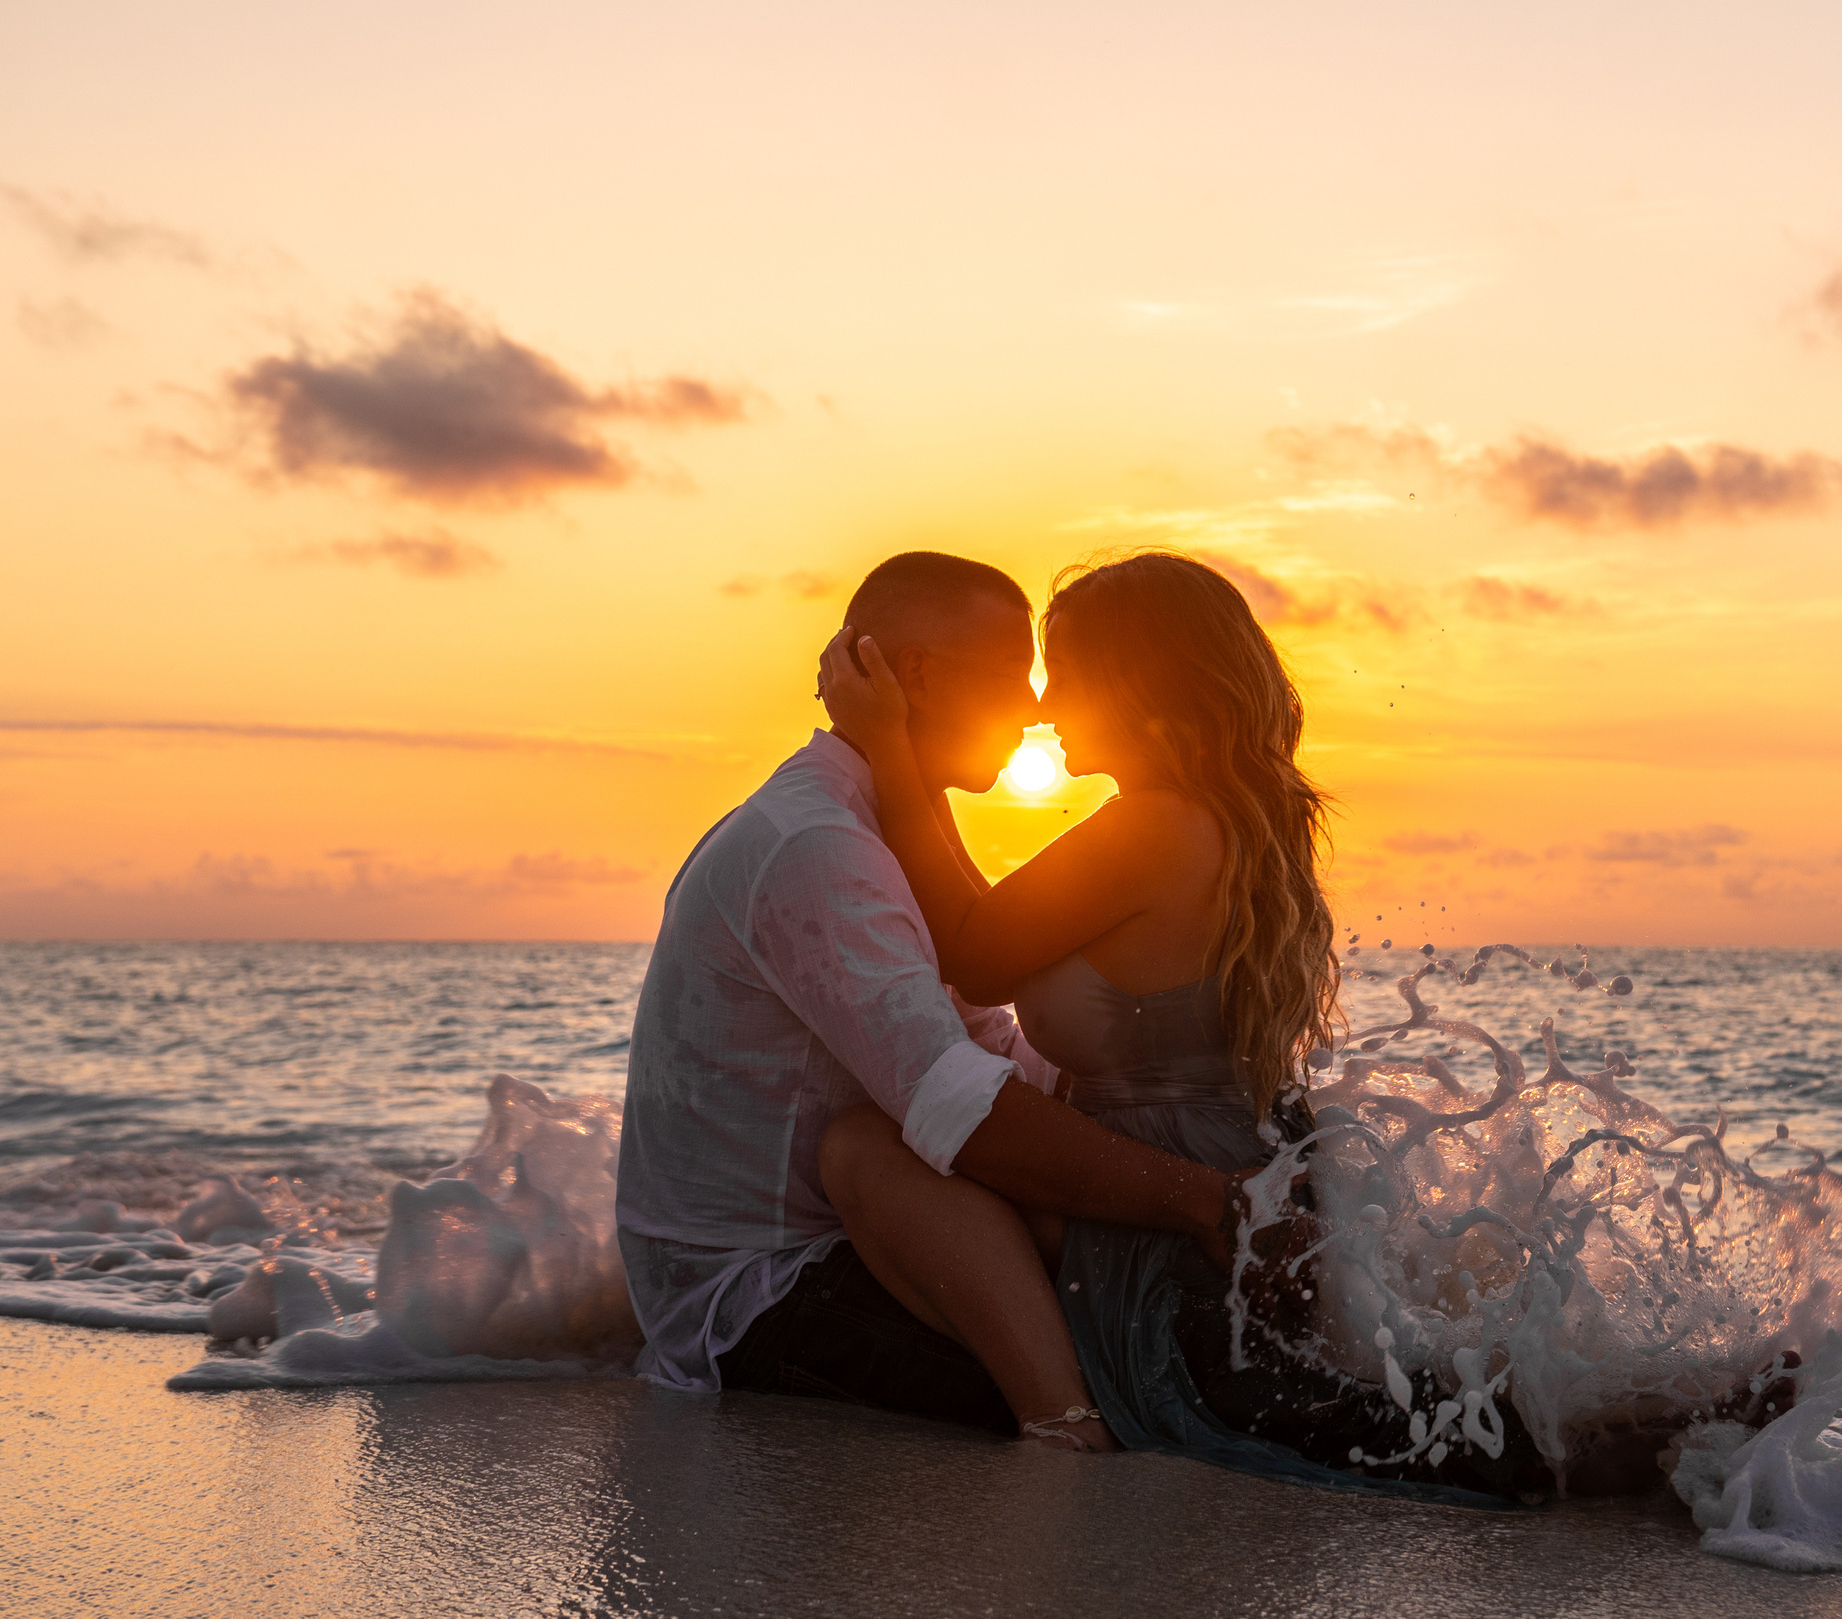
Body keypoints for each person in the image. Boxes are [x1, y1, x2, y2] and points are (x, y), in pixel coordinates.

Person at [817, 550, 1536, 1501]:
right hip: (1237, 1147)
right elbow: (992, 918)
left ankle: (1062, 1421)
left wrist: (891, 747)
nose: (1040, 703)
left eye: (1063, 673)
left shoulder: (1151, 827)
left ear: (1133, 682)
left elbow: (974, 949)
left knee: (867, 1149)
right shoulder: (1225, 818)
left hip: (1176, 1170)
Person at [616, 551, 1273, 1454]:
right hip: (765, 1292)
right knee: (1154, 1381)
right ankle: (1071, 1435)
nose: (1037, 706)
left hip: (870, 1241)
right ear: (915, 674)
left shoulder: (869, 825)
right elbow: (956, 1097)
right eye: (1013, 673)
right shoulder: (817, 845)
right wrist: (1204, 1198)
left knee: (1188, 1342)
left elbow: (973, 1010)